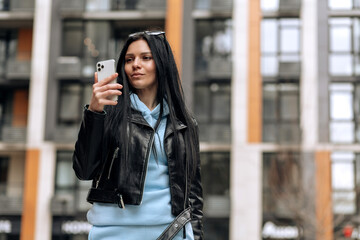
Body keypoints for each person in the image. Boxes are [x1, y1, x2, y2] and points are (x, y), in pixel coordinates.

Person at [72, 30, 203, 240]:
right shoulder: (109, 115)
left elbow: (193, 193)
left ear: (161, 63)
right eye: (129, 59)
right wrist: (94, 112)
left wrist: (195, 236)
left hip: (171, 233)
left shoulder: (184, 124)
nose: (135, 64)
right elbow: (84, 170)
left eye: (146, 58)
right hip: (114, 233)